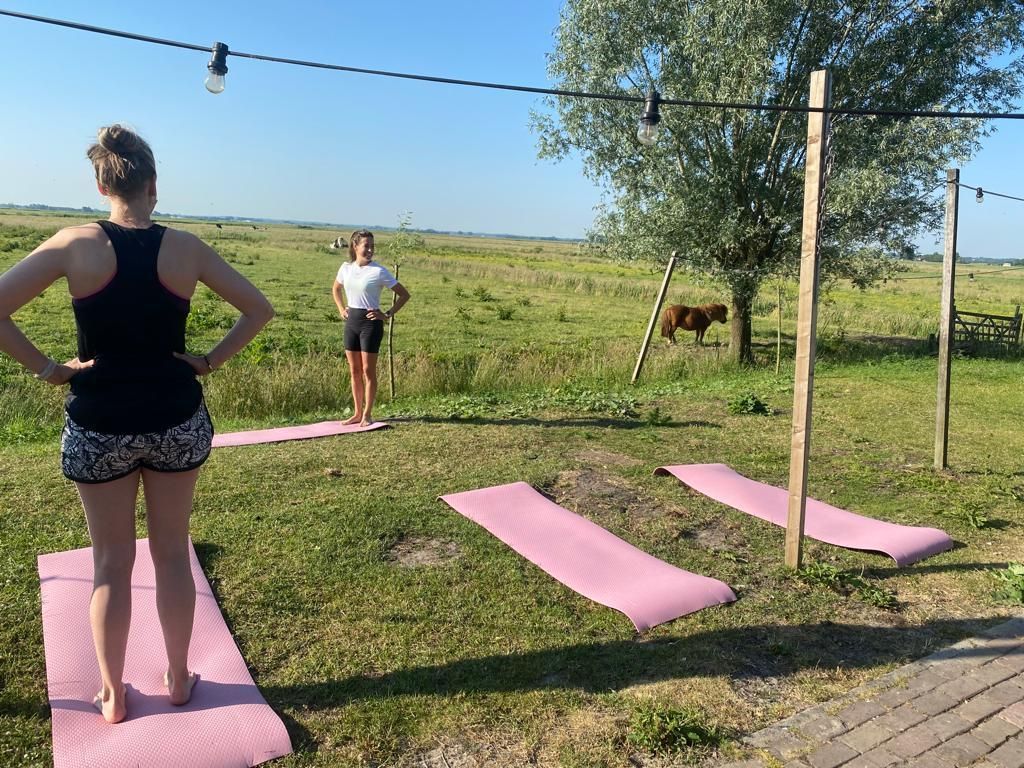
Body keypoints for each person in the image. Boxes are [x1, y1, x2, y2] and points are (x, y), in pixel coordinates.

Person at [0, 124, 274, 724]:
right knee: (172, 554)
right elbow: (260, 309)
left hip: (99, 425)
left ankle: (113, 692)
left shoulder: (73, 243)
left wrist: (49, 370)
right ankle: (178, 677)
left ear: (102, 184)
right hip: (175, 419)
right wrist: (207, 362)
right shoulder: (187, 248)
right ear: (154, 183)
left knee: (109, 562)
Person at [331, 230, 410, 425]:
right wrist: (341, 308)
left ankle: (367, 414)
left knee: (368, 370)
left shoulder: (379, 271)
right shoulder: (345, 268)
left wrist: (386, 315)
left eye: (372, 246)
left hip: (370, 324)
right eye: (366, 245)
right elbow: (336, 288)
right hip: (352, 322)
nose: (370, 250)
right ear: (355, 246)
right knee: (354, 370)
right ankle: (357, 413)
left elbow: (404, 295)